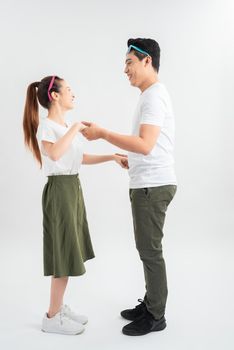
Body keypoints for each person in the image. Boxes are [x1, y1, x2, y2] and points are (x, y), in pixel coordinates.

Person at [82, 38, 177, 336]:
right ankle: (150, 303)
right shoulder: (150, 95)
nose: (125, 69)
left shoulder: (152, 96)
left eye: (129, 62)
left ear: (147, 61)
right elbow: (147, 145)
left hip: (152, 186)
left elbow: (146, 145)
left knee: (150, 251)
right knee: (146, 249)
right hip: (148, 182)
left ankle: (156, 315)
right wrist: (129, 157)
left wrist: (103, 134)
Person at [22, 75, 128, 335]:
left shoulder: (64, 126)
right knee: (64, 254)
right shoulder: (47, 126)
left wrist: (112, 157)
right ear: (55, 96)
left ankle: (58, 308)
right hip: (59, 193)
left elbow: (78, 158)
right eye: (68, 89)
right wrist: (75, 127)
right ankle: (52, 316)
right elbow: (55, 154)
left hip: (72, 188)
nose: (73, 93)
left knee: (69, 250)